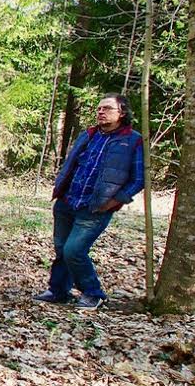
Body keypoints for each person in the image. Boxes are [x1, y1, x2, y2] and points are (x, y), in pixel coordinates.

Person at [34, 94, 144, 310]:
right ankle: (58, 290)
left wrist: (115, 201)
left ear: (122, 113)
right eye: (99, 108)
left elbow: (138, 179)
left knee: (74, 250)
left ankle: (94, 293)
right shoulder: (89, 135)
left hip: (95, 207)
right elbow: (72, 163)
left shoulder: (133, 140)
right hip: (68, 201)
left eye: (108, 108)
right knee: (61, 249)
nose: (101, 112)